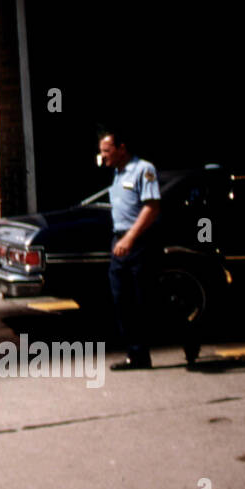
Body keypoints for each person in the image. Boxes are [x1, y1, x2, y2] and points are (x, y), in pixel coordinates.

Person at [99, 130, 163, 371]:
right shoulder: (116, 173)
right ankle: (136, 355)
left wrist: (130, 238)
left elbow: (152, 207)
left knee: (147, 300)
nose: (102, 156)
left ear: (122, 148)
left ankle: (188, 337)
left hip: (140, 242)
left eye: (106, 151)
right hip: (120, 242)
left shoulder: (143, 170)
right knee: (122, 299)